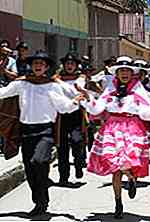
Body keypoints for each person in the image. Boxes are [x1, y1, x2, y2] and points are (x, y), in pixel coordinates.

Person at [78, 56, 150, 219]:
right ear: (117, 73)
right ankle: (118, 202)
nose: (124, 73)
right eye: (121, 70)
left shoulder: (138, 89)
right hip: (112, 128)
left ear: (132, 73)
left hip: (132, 128)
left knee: (126, 161)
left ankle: (131, 177)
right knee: (115, 167)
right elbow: (98, 108)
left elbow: (146, 112)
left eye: (127, 70)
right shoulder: (110, 88)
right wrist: (88, 98)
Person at [0, 50, 84, 216]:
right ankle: (40, 202)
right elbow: (2, 93)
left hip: (45, 131)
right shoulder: (22, 83)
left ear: (46, 67)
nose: (38, 66)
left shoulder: (52, 85)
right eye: (35, 63)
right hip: (26, 131)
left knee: (39, 161)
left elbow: (63, 107)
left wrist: (75, 101)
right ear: (31, 66)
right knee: (30, 169)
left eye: (41, 64)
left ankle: (42, 196)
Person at [55, 52, 87, 185]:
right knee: (61, 147)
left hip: (76, 115)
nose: (69, 66)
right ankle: (63, 177)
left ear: (76, 66)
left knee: (77, 141)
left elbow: (76, 90)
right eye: (67, 63)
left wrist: (58, 83)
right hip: (61, 116)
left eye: (72, 64)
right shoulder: (56, 78)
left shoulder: (81, 78)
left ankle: (79, 164)